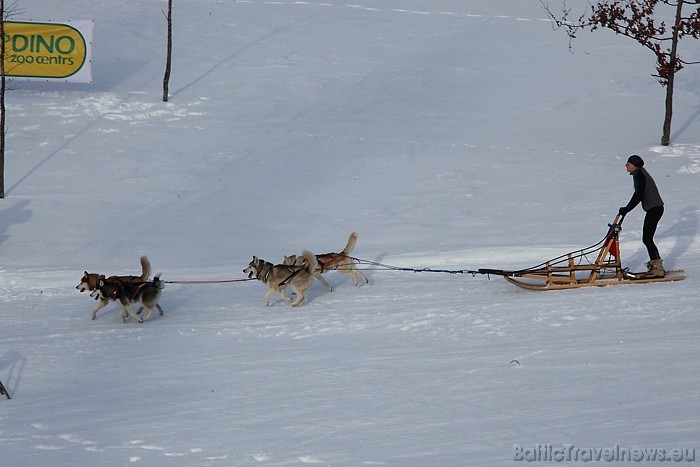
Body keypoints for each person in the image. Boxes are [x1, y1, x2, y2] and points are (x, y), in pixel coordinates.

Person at [618, 155, 665, 277]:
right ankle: (656, 265)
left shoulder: (639, 174)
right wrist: (626, 209)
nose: (626, 165)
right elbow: (638, 193)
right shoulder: (639, 173)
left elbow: (638, 195)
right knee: (647, 238)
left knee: (647, 238)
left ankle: (657, 268)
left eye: (628, 163)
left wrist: (627, 209)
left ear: (634, 165)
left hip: (655, 208)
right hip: (655, 208)